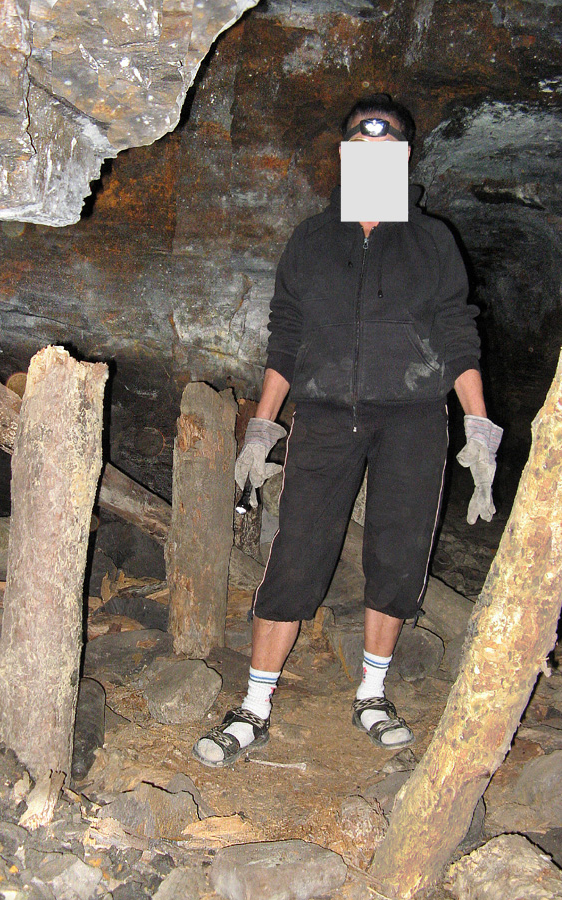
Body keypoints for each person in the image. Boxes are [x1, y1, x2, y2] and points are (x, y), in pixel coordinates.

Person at [193, 93, 502, 768]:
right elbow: (286, 334)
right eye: (360, 147)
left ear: (404, 158)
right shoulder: (311, 239)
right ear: (344, 155)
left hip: (414, 417)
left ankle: (372, 694)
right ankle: (254, 706)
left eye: (385, 149)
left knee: (398, 551)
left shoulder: (431, 241)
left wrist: (478, 423)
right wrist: (262, 426)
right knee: (297, 549)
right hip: (327, 414)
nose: (372, 157)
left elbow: (457, 333)